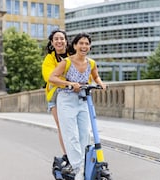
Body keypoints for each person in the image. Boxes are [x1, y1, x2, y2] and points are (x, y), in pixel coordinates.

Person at [49, 32, 106, 180]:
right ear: (74, 46)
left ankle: (83, 167)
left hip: (82, 100)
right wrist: (69, 84)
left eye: (87, 44)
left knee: (84, 135)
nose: (84, 46)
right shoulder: (66, 62)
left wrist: (100, 83)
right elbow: (52, 78)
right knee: (71, 135)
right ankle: (78, 169)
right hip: (66, 100)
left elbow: (95, 76)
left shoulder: (91, 63)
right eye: (81, 43)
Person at [41, 29, 70, 165]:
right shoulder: (49, 59)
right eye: (56, 39)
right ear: (52, 43)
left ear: (66, 41)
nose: (59, 41)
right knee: (62, 126)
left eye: (61, 38)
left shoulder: (73, 55)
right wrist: (68, 82)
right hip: (55, 97)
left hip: (73, 95)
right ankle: (67, 155)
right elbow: (50, 77)